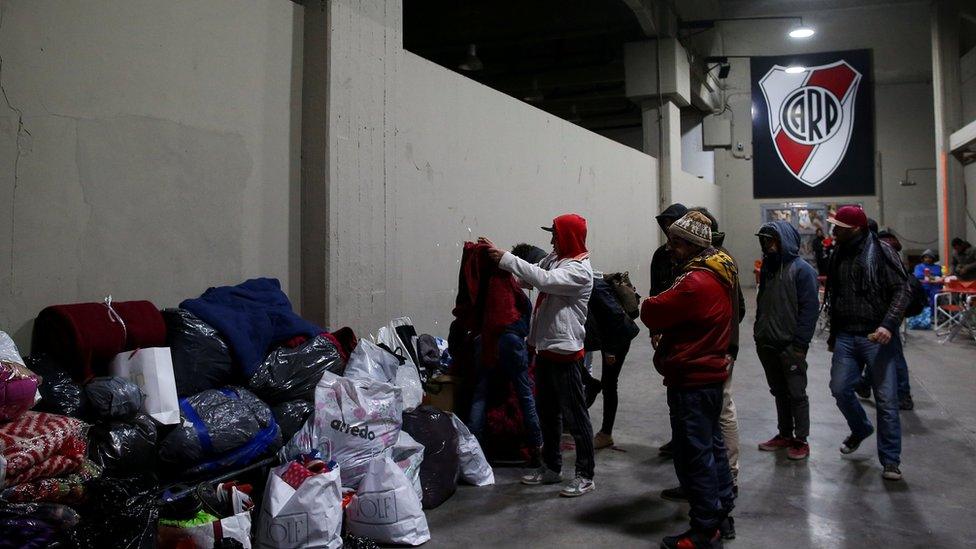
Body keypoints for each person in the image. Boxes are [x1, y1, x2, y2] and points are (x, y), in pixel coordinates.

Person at [480, 213, 596, 498]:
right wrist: (496, 263)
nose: (552, 239)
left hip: (566, 354)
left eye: (555, 234)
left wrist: (506, 257)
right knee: (548, 414)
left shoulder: (579, 270)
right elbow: (529, 278)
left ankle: (585, 474)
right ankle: (552, 467)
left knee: (576, 417)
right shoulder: (556, 259)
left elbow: (544, 280)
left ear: (568, 236)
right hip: (545, 350)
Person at [641, 211, 737, 549]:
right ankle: (722, 512)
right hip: (709, 373)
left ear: (690, 244)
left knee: (694, 455)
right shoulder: (723, 268)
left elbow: (651, 310)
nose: (669, 249)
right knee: (713, 448)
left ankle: (703, 529)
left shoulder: (695, 282)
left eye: (674, 242)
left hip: (691, 378)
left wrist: (641, 302)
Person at [826, 206, 911, 481]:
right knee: (839, 388)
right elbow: (836, 295)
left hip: (877, 336)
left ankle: (890, 460)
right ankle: (861, 427)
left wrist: (888, 325)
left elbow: (902, 289)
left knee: (886, 401)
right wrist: (833, 334)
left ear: (856, 229)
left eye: (838, 227)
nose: (834, 231)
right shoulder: (839, 252)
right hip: (847, 336)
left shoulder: (882, 252)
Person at [465, 243, 545, 465]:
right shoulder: (510, 287)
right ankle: (537, 447)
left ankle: (473, 451)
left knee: (480, 393)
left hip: (485, 340)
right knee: (525, 393)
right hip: (509, 340)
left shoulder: (482, 285)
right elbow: (522, 324)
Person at [753, 221, 819, 461]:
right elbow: (763, 305)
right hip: (767, 342)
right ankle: (784, 434)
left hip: (790, 346)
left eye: (771, 239)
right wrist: (759, 333)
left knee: (796, 393)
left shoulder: (802, 271)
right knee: (779, 391)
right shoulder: (769, 268)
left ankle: (801, 439)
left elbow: (810, 310)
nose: (767, 244)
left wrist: (800, 344)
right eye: (764, 239)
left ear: (784, 240)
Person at [584, 272, 640, 449]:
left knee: (609, 383)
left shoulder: (594, 288)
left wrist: (609, 350)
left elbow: (615, 317)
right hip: (604, 334)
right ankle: (591, 385)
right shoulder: (584, 282)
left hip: (618, 336)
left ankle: (606, 433)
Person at [650, 203, 689, 297]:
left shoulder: (692, 252)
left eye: (673, 222)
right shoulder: (660, 253)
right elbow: (654, 288)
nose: (668, 227)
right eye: (666, 223)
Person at [913, 249, 943, 313]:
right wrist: (932, 277)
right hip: (923, 287)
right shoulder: (919, 266)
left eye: (930, 257)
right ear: (923, 258)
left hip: (936, 287)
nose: (928, 259)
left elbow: (940, 276)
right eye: (926, 257)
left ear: (933, 258)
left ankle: (933, 315)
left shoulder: (937, 267)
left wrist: (929, 276)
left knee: (935, 296)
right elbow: (918, 276)